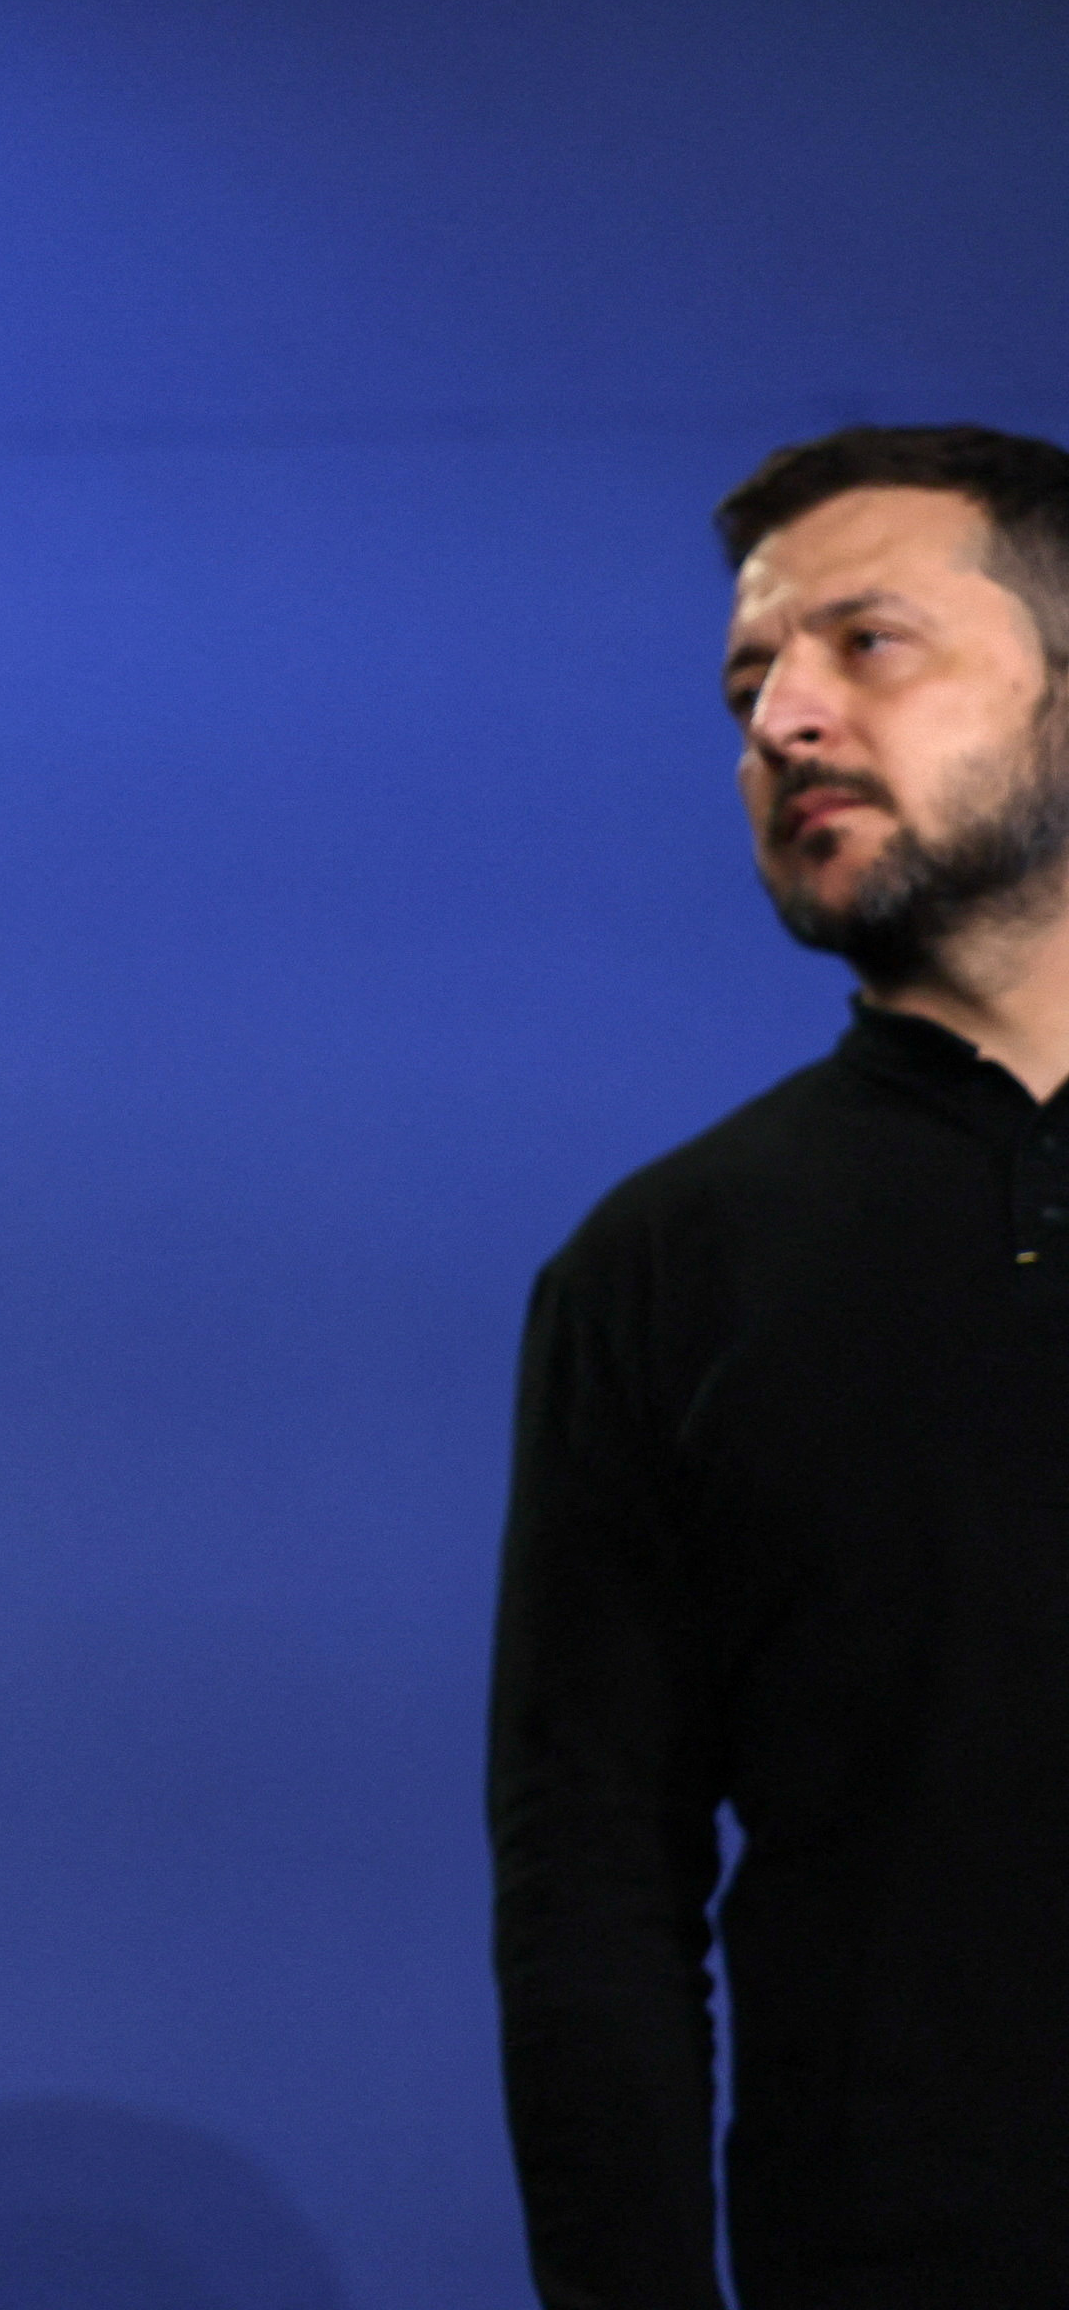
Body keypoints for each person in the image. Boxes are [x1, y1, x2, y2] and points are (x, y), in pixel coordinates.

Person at [492, 422, 1069, 2305]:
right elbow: (593, 1894)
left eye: (865, 644)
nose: (784, 723)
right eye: (751, 684)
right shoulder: (660, 1272)